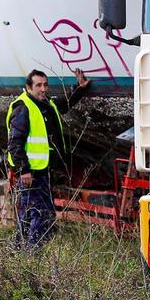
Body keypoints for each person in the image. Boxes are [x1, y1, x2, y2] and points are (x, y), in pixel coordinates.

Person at [6, 67, 91, 246]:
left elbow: (63, 104)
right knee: (42, 214)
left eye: (45, 85)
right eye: (39, 85)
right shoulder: (23, 108)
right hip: (32, 173)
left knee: (28, 213)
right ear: (28, 87)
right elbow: (15, 142)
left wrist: (79, 88)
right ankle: (34, 253)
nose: (44, 89)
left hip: (43, 171)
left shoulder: (46, 104)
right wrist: (24, 171)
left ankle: (19, 251)